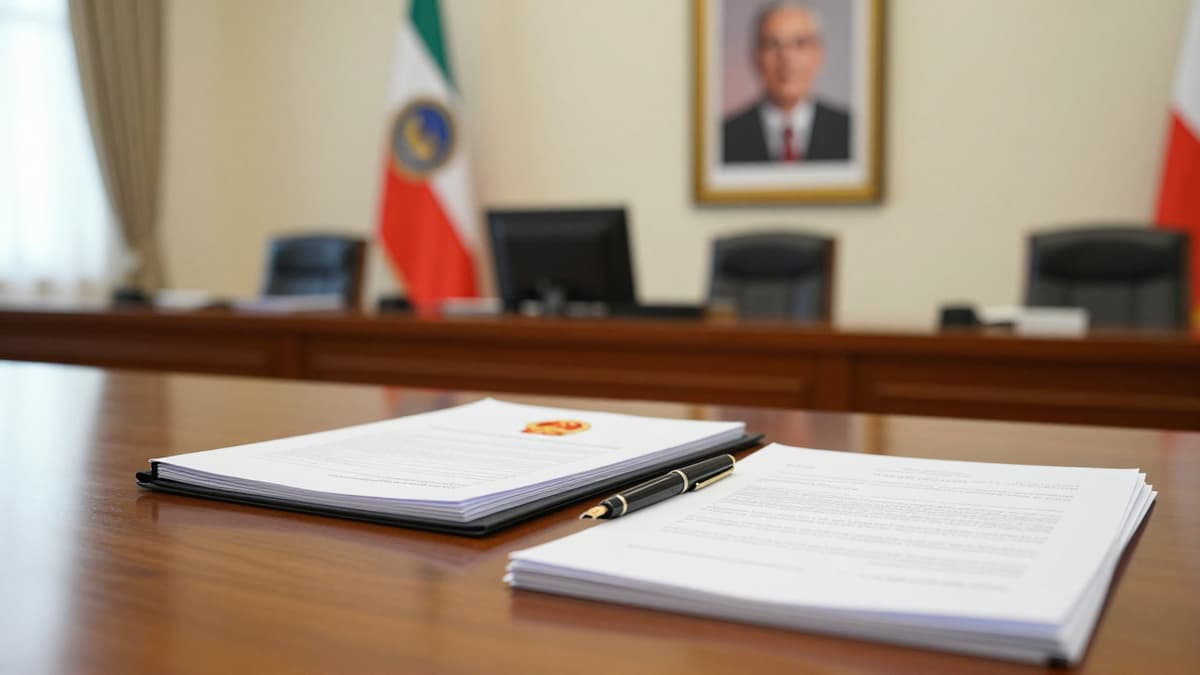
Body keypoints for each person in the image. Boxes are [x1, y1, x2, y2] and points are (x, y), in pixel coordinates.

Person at [722, 1, 851, 164]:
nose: (787, 58)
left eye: (800, 43)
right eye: (772, 45)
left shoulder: (852, 133)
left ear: (819, 54)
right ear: (756, 57)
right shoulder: (722, 138)